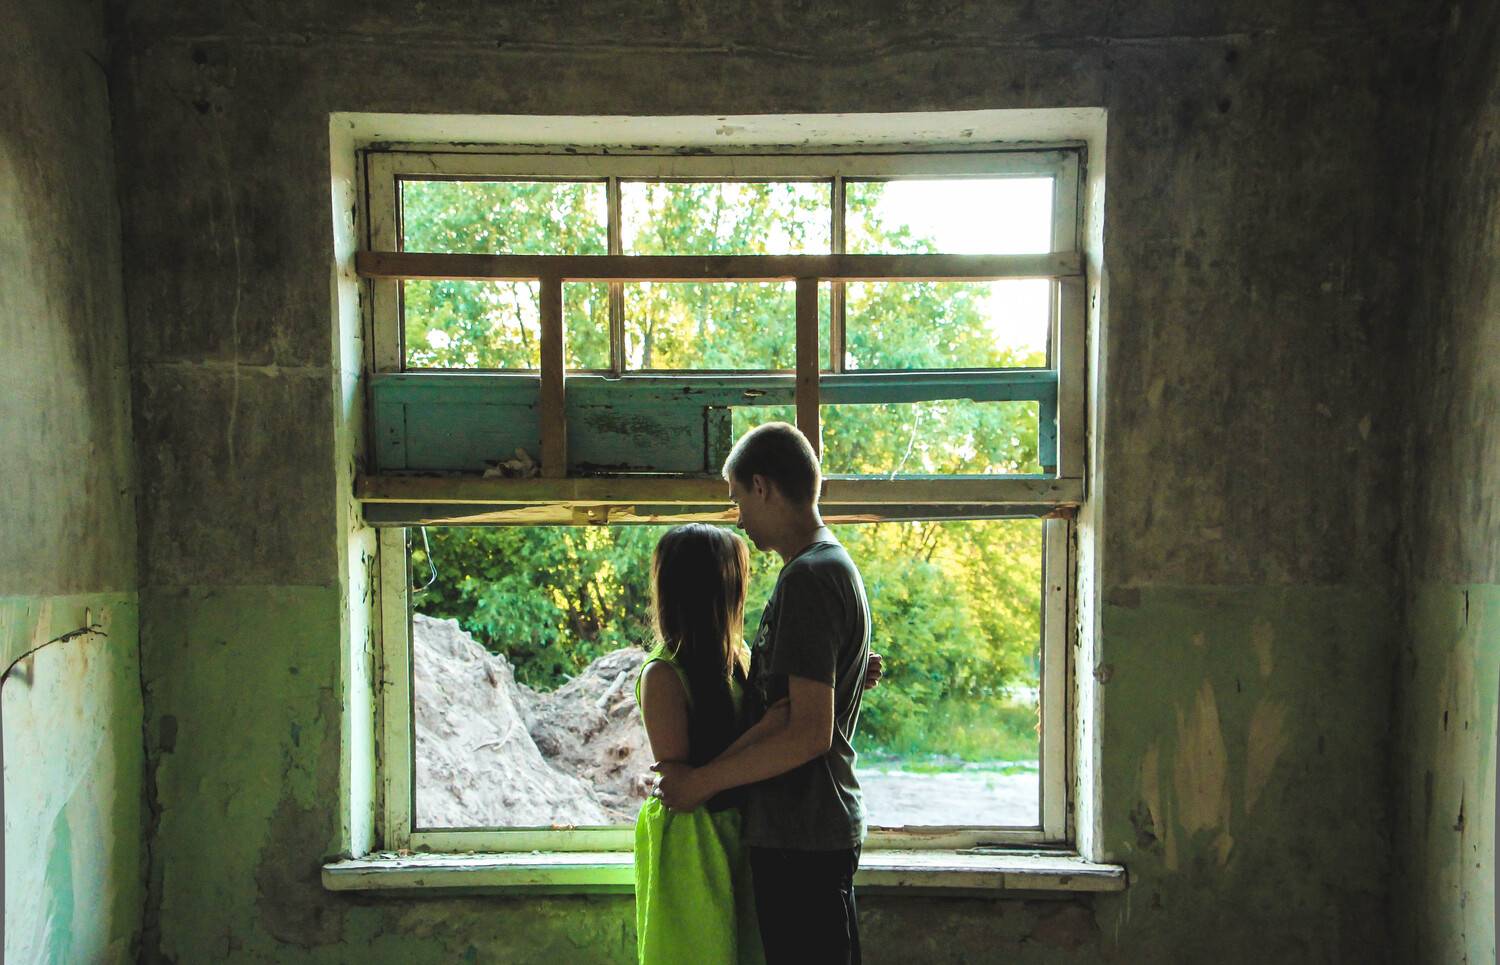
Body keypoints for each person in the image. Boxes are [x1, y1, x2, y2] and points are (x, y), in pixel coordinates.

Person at [654, 422, 873, 965]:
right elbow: (795, 705)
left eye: (738, 500)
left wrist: (700, 782)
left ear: (762, 487)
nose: (739, 518)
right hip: (807, 830)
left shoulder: (809, 578)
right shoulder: (828, 566)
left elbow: (808, 733)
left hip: (804, 834)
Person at [634, 523, 779, 965]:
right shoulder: (663, 674)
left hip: (738, 830)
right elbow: (681, 783)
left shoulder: (738, 657)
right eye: (738, 579)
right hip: (692, 841)